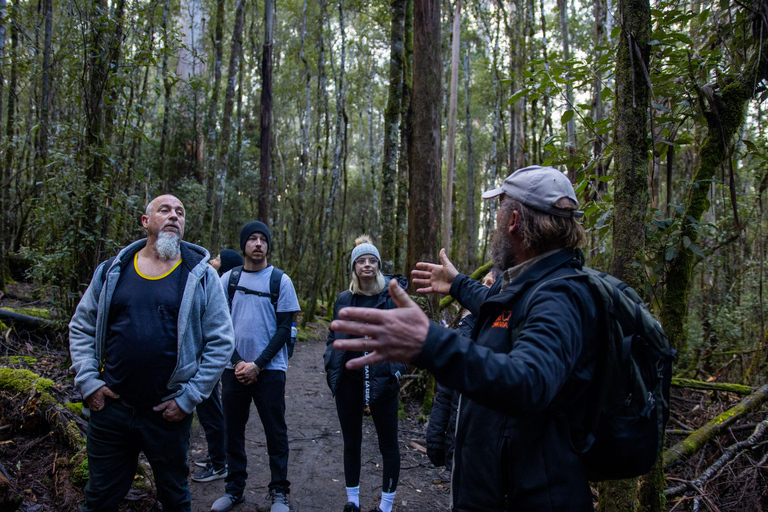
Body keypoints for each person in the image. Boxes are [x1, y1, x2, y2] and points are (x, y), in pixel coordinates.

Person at [331, 165, 603, 512]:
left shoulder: (559, 295)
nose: (496, 224)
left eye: (500, 211)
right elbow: (504, 307)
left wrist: (431, 343)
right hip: (502, 485)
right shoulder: (533, 283)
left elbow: (530, 381)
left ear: (515, 221)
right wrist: (459, 284)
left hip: (532, 494)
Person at [69, 194, 235, 512]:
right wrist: (89, 381)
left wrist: (189, 398)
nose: (174, 215)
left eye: (180, 212)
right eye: (165, 210)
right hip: (111, 410)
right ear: (146, 222)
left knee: (174, 497)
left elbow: (222, 341)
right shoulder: (112, 271)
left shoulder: (200, 276)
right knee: (99, 497)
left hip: (167, 413)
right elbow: (81, 326)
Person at [212, 221, 300, 512]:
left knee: (275, 432)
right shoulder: (228, 280)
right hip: (233, 368)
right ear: (244, 245)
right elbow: (219, 325)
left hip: (270, 370)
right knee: (233, 431)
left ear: (268, 246)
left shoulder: (280, 280)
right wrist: (238, 361)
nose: (258, 244)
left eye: (263, 239)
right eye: (253, 239)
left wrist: (258, 365)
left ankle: (279, 493)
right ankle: (235, 489)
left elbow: (284, 328)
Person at [324, 235, 408, 512]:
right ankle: (353, 501)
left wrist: (395, 372)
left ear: (379, 266)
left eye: (372, 260)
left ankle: (385, 506)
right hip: (349, 383)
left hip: (384, 384)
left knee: (388, 446)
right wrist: (331, 366)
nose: (367, 265)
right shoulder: (344, 299)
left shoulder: (392, 300)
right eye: (362, 261)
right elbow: (333, 336)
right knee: (352, 442)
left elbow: (407, 342)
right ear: (354, 267)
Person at [425, 268, 501, 472]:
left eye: (490, 283)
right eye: (483, 282)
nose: (483, 287)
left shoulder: (501, 335)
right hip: (455, 441)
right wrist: (435, 439)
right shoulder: (463, 330)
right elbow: (444, 391)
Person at [192, 248, 245, 482]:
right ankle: (217, 455)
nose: (212, 261)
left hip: (210, 358)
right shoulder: (215, 284)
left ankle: (219, 463)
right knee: (209, 409)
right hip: (205, 357)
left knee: (209, 409)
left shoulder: (222, 289)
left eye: (217, 259)